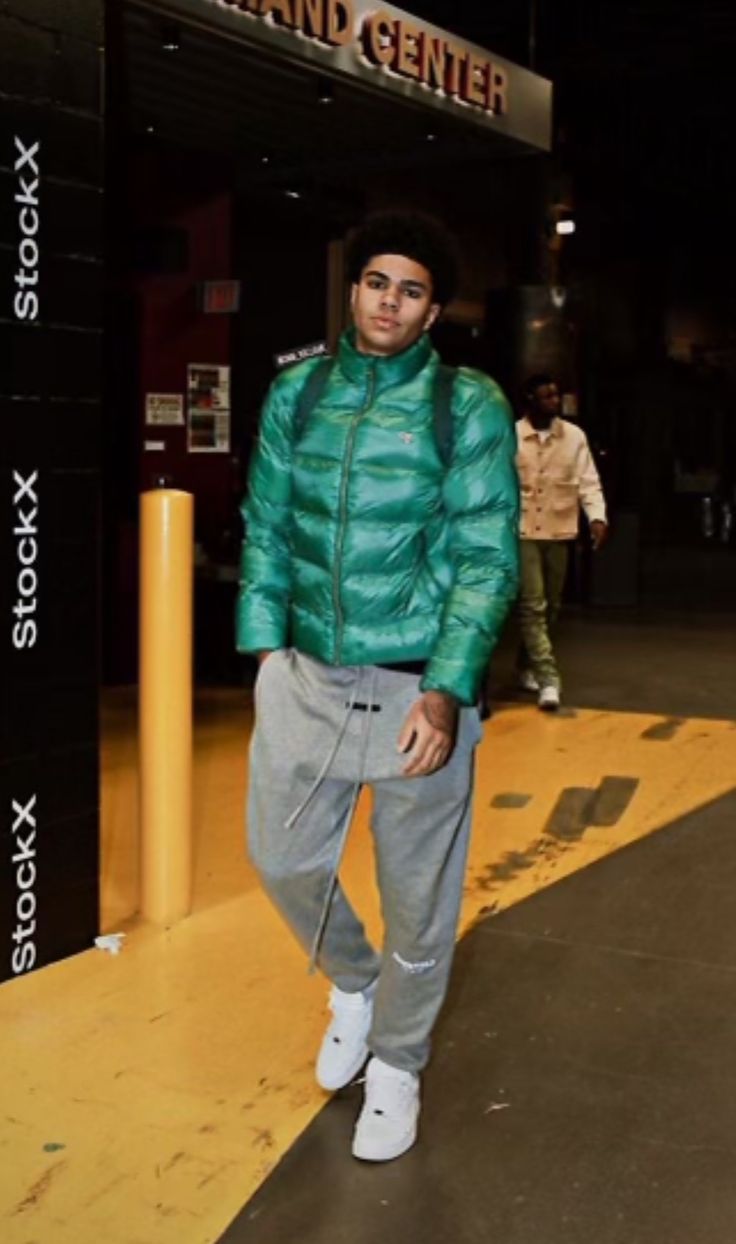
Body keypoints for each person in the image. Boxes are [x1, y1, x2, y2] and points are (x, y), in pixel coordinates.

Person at [236, 211, 519, 1162]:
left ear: (432, 310)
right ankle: (354, 985)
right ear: (352, 291)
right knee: (280, 858)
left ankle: (397, 1063)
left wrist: (447, 689)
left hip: (414, 689)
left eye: (409, 288)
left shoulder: (466, 405)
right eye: (375, 282)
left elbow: (485, 556)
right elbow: (267, 525)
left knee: (418, 895)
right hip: (308, 674)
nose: (388, 300)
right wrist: (266, 649)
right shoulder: (298, 394)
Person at [515, 374, 608, 711]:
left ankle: (526, 664)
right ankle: (549, 679)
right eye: (546, 397)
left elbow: (588, 481)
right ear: (530, 401)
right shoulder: (512, 437)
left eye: (556, 395)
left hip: (559, 530)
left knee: (551, 606)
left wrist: (596, 517)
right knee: (533, 605)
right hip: (523, 530)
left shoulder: (574, 437)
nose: (554, 402)